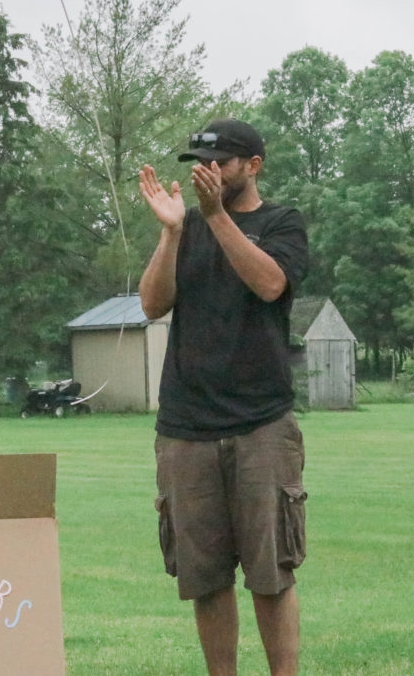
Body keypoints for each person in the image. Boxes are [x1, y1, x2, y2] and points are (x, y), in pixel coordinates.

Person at [138, 118, 309, 676]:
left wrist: (215, 219)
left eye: (221, 162)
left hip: (262, 425)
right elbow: (152, 304)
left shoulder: (282, 222)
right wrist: (170, 234)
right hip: (186, 428)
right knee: (205, 579)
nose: (205, 173)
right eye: (199, 163)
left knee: (270, 573)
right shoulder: (183, 227)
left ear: (253, 165)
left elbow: (270, 284)